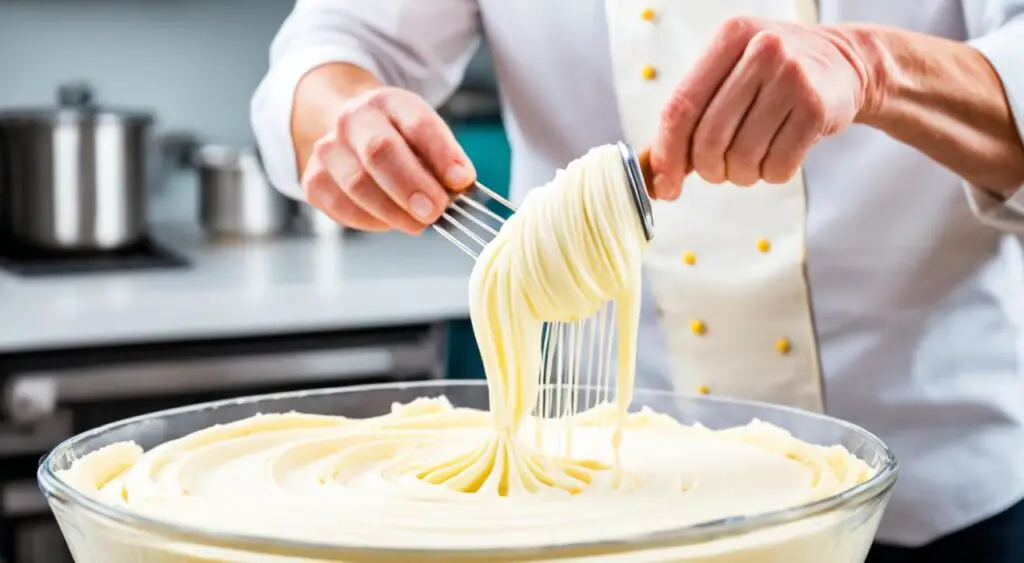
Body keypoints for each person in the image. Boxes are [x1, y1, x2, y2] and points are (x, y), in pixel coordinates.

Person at [251, 1, 1024, 561]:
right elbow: (334, 42)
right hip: (591, 499)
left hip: (938, 497)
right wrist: (345, 111)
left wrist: (872, 66)